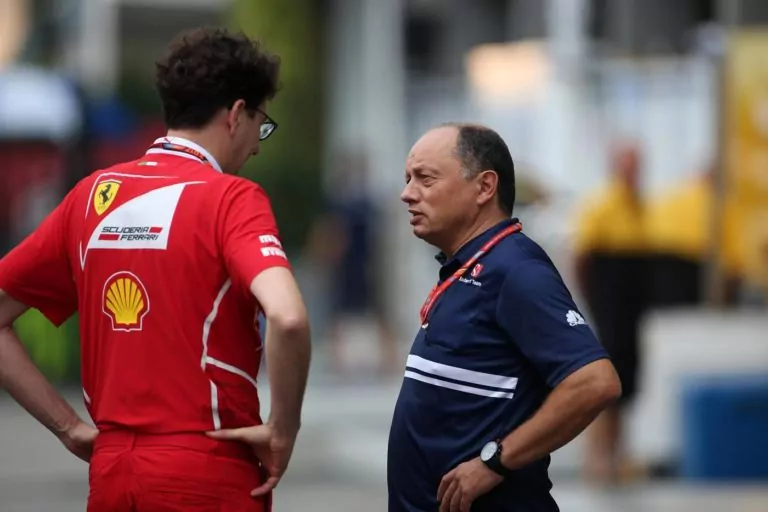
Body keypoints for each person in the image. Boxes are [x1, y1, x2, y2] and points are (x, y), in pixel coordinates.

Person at [0, 27, 311, 511]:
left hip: (112, 472)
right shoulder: (232, 197)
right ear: (235, 115)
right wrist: (282, 430)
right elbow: (288, 317)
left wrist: (68, 427)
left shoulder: (90, 195)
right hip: (208, 469)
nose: (256, 145)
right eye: (260, 124)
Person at [387, 123, 621, 512]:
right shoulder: (469, 266)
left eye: (425, 179)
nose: (407, 193)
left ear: (484, 187)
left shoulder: (515, 270)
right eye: (408, 179)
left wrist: (495, 460)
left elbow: (595, 382)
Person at [571, 142, 648, 484]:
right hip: (608, 303)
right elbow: (581, 258)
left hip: (631, 305)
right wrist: (592, 305)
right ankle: (597, 458)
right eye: (626, 164)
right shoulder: (600, 205)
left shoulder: (640, 206)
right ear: (614, 166)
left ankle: (618, 456)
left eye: (636, 165)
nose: (632, 171)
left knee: (625, 385)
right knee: (604, 383)